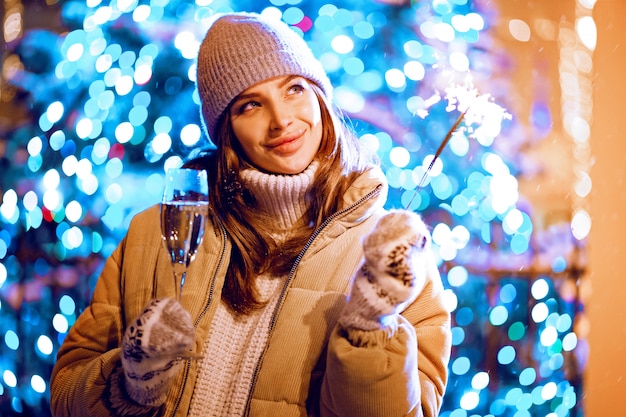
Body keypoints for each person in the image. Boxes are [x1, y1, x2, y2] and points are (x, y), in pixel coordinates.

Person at [50, 11, 451, 417]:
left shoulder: (390, 259)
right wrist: (130, 383)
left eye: (294, 88)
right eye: (250, 105)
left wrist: (371, 329)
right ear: (227, 130)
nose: (281, 120)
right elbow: (65, 394)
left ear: (320, 97)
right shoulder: (152, 234)